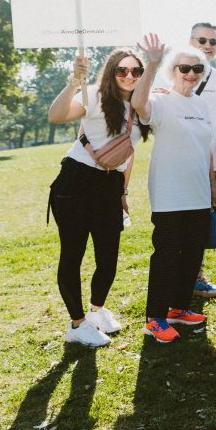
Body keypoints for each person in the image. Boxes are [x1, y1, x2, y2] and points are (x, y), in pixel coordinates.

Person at [46, 49, 147, 347]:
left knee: (108, 257)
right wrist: (74, 83)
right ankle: (77, 325)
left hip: (110, 186)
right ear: (110, 72)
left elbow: (129, 156)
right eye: (122, 70)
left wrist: (123, 193)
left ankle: (96, 311)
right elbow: (56, 115)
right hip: (76, 182)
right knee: (73, 255)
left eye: (136, 71)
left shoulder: (141, 108)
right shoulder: (95, 96)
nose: (129, 76)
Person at [131, 34, 216, 343]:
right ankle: (154, 317)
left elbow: (209, 147)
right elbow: (138, 104)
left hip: (198, 193)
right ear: (173, 71)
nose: (191, 74)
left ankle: (178, 309)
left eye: (197, 69)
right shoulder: (161, 100)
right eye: (184, 68)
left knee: (193, 254)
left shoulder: (204, 105)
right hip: (169, 193)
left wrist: (212, 187)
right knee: (167, 254)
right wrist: (151, 64)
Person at [188, 22, 216, 299]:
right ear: (190, 41)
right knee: (183, 216)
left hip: (212, 158)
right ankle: (182, 274)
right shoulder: (173, 72)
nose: (207, 45)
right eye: (202, 39)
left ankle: (196, 276)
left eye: (213, 41)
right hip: (182, 156)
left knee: (206, 212)